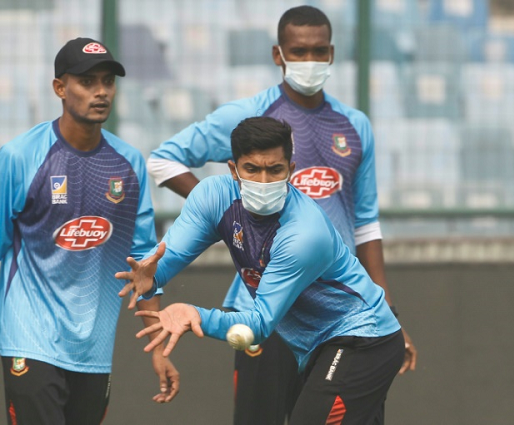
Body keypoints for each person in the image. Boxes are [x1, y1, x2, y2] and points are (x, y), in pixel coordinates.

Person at [146, 5, 417, 423]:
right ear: (278, 55)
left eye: (318, 51)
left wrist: (389, 309)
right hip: (263, 306)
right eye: (298, 51)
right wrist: (228, 212)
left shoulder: (355, 125)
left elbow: (366, 223)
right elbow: (164, 161)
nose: (309, 61)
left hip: (338, 309)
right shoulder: (248, 117)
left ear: (331, 53)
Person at [0, 37, 179, 425]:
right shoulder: (20, 157)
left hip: (94, 347)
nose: (101, 91)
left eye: (107, 81)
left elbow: (145, 263)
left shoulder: (129, 164)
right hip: (28, 338)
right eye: (87, 82)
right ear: (59, 88)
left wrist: (159, 349)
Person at [118, 116, 405, 424]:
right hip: (315, 348)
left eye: (275, 169)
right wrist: (152, 276)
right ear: (233, 169)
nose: (264, 181)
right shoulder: (214, 196)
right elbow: (169, 255)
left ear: (291, 170)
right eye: (252, 169)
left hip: (362, 339)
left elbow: (258, 325)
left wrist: (196, 315)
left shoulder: (304, 235)